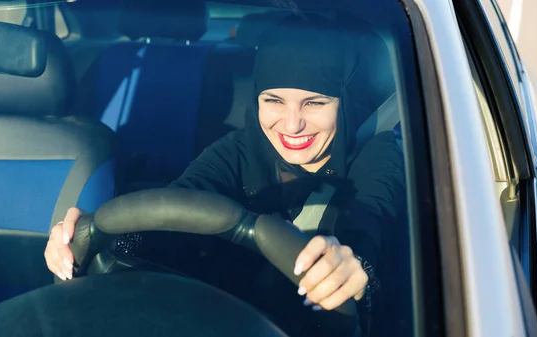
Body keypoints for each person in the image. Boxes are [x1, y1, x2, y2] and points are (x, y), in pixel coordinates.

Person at [44, 12, 406, 336]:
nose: (292, 124)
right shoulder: (240, 148)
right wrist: (91, 235)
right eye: (273, 101)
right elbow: (176, 205)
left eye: (314, 103)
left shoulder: (378, 156)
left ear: (344, 102)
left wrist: (353, 268)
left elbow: (371, 217)